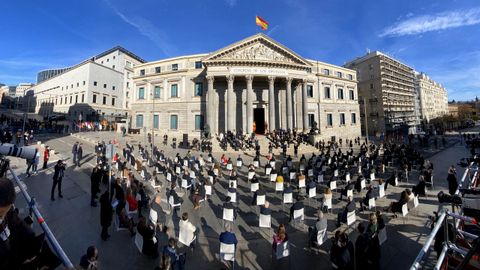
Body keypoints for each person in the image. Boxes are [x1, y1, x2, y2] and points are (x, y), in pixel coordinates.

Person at [0, 178, 37, 269]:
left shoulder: (7, 206)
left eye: (3, 213)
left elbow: (16, 221)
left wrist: (31, 239)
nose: (2, 217)